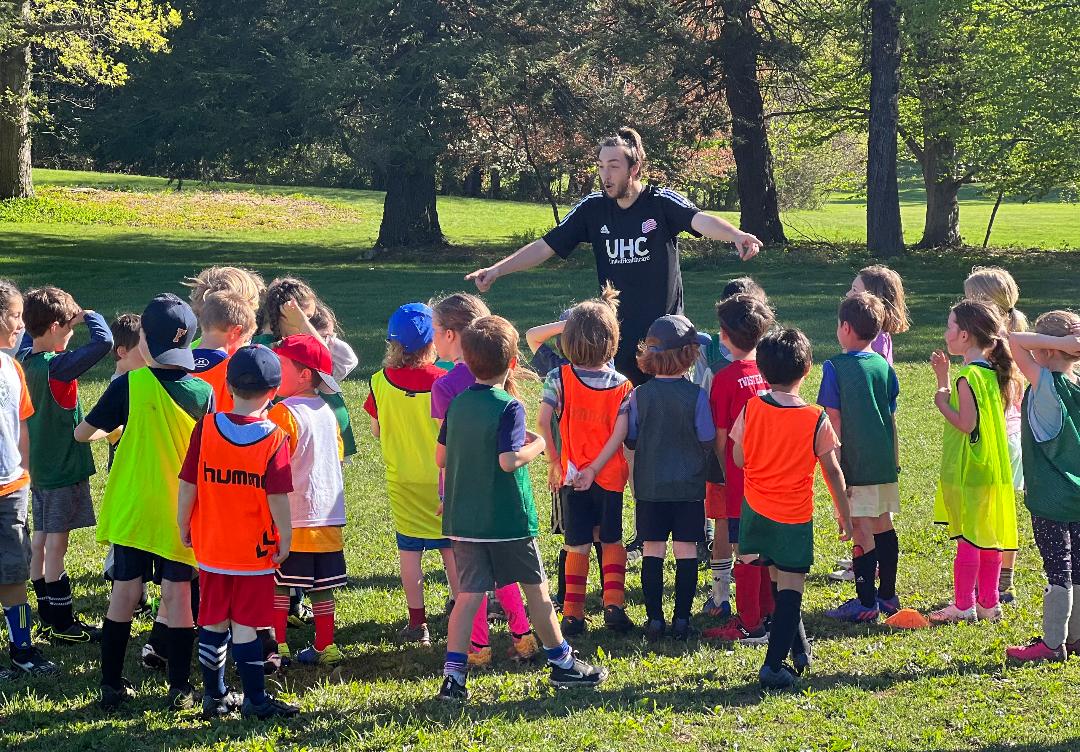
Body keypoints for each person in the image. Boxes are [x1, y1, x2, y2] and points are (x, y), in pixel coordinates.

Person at [465, 126, 761, 386]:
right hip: (614, 339)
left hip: (665, 341)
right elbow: (546, 245)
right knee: (621, 426)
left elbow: (700, 220)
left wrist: (737, 235)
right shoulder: (592, 208)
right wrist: (497, 270)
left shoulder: (660, 202)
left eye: (614, 166)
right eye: (601, 166)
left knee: (664, 418)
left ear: (634, 168)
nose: (605, 175)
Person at [435, 315, 608, 701]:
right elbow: (507, 461)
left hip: (463, 520)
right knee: (538, 592)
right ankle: (562, 663)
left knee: (468, 597)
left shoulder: (458, 404)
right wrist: (540, 446)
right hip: (507, 521)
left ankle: (453, 676)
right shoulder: (510, 406)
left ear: (465, 357)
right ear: (513, 363)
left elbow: (441, 458)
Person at [75, 294, 214, 711]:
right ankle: (179, 689)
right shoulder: (203, 391)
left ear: (144, 344)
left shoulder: (128, 385)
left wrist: (113, 428)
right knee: (178, 598)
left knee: (124, 594)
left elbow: (83, 433)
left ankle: (111, 686)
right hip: (180, 512)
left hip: (136, 507)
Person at [177, 344, 300, 718]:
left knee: (212, 621)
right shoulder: (274, 439)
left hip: (212, 546)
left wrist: (183, 524)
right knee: (246, 626)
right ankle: (255, 701)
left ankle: (213, 697)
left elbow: (188, 486)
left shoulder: (206, 428)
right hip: (253, 552)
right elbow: (277, 498)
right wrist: (287, 536)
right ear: (274, 392)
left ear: (227, 386)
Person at [731, 328, 852, 689]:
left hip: (756, 511)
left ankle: (799, 650)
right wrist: (843, 512)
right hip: (793, 516)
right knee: (791, 589)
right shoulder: (815, 418)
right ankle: (772, 666)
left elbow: (738, 457)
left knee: (777, 579)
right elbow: (832, 469)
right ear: (808, 368)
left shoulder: (752, 406)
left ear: (763, 373)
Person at [430, 293, 535, 662]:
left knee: (468, 580)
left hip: (460, 491)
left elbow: (443, 452)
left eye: (436, 331)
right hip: (501, 498)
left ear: (453, 335)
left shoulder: (445, 388)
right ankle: (523, 635)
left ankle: (478, 646)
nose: (432, 339)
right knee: (506, 573)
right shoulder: (501, 384)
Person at [19, 286, 113, 643]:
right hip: (61, 471)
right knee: (57, 545)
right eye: (69, 328)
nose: (73, 334)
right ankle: (61, 622)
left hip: (40, 469)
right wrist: (89, 316)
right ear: (57, 325)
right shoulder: (57, 367)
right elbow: (102, 344)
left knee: (42, 541)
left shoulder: (26, 359)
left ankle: (43, 612)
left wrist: (67, 323)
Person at [536, 294, 633, 637]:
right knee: (611, 540)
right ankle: (614, 605)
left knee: (575, 542)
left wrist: (553, 461)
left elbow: (543, 421)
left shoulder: (558, 378)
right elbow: (621, 433)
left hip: (572, 475)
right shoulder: (623, 385)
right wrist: (598, 466)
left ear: (567, 341)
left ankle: (573, 614)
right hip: (609, 476)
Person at [364, 303, 460, 650]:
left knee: (409, 551)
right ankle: (459, 611)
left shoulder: (378, 382)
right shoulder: (445, 382)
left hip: (401, 480)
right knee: (450, 549)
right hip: (442, 477)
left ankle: (417, 622)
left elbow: (375, 430)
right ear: (432, 342)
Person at [929, 300, 1019, 624]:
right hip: (992, 469)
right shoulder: (992, 372)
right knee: (988, 536)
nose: (946, 332)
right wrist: (944, 375)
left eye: (950, 326)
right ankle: (989, 603)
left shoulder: (967, 376)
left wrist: (941, 395)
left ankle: (963, 605)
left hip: (971, 471)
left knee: (968, 537)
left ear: (964, 335)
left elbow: (966, 424)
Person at [628, 315, 715, 641]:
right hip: (688, 488)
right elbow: (706, 438)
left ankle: (653, 619)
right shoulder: (696, 396)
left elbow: (632, 438)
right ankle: (681, 619)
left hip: (650, 488)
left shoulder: (638, 395)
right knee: (686, 551)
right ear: (689, 355)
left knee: (652, 549)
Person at [819, 294, 901, 623]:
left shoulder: (835, 367)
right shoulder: (883, 365)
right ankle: (888, 595)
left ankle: (866, 602)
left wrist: (837, 466)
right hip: (883, 462)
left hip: (856, 464)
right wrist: (893, 459)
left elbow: (833, 420)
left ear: (845, 327)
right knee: (884, 523)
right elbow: (891, 415)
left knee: (862, 531)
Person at [267, 334, 347, 666]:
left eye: (281, 365)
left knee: (280, 586)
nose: (275, 371)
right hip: (327, 516)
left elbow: (272, 461)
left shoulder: (283, 413)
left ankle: (278, 645)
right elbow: (339, 455)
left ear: (304, 375)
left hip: (293, 515)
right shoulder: (327, 411)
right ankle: (325, 645)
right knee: (322, 586)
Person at [1005, 313, 1080, 662]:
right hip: (1077, 494)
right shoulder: (1076, 382)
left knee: (1057, 569)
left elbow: (1014, 339)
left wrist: (1060, 343)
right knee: (1078, 567)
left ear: (1048, 350)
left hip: (1051, 498)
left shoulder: (1046, 383)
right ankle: (1075, 637)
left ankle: (1052, 645)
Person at [829, 266, 909, 583]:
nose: (849, 294)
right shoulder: (881, 343)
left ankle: (865, 574)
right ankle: (884, 586)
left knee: (864, 518)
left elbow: (843, 410)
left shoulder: (853, 359)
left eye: (855, 290)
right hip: (881, 447)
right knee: (879, 515)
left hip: (860, 447)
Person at [705, 293, 775, 643]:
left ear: (728, 334)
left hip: (740, 479)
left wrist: (722, 471)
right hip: (773, 479)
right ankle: (767, 612)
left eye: (720, 330)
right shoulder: (772, 371)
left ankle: (750, 624)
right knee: (764, 548)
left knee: (745, 550)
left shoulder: (726, 379)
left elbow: (720, 438)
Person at [0, 280, 59, 679]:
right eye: (16, 316)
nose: (21, 324)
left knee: (13, 571)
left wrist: (25, 472)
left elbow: (22, 423)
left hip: (10, 488)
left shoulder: (12, 366)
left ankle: (21, 648)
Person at [964, 266, 1028, 603]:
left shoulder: (990, 351)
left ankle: (984, 580)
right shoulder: (1018, 343)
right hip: (1013, 440)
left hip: (993, 441)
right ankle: (1004, 580)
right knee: (1005, 511)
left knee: (983, 512)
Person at [192, 290, 258, 414]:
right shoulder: (234, 369)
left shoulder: (176, 365)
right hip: (217, 432)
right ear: (236, 331)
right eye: (244, 340)